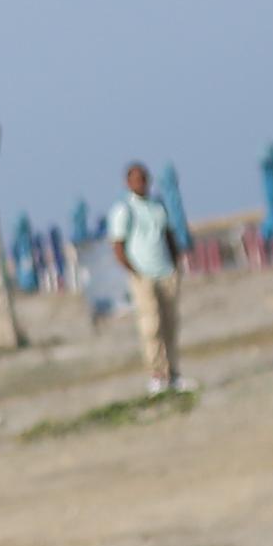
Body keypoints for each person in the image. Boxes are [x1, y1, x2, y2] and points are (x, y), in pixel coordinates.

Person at [107, 160, 189, 397]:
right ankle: (157, 375)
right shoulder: (124, 209)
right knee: (151, 326)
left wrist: (176, 263)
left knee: (170, 325)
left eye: (144, 179)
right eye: (136, 179)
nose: (141, 183)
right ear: (128, 183)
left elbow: (168, 235)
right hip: (143, 276)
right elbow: (118, 246)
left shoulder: (157, 206)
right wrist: (135, 272)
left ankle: (174, 373)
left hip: (166, 272)